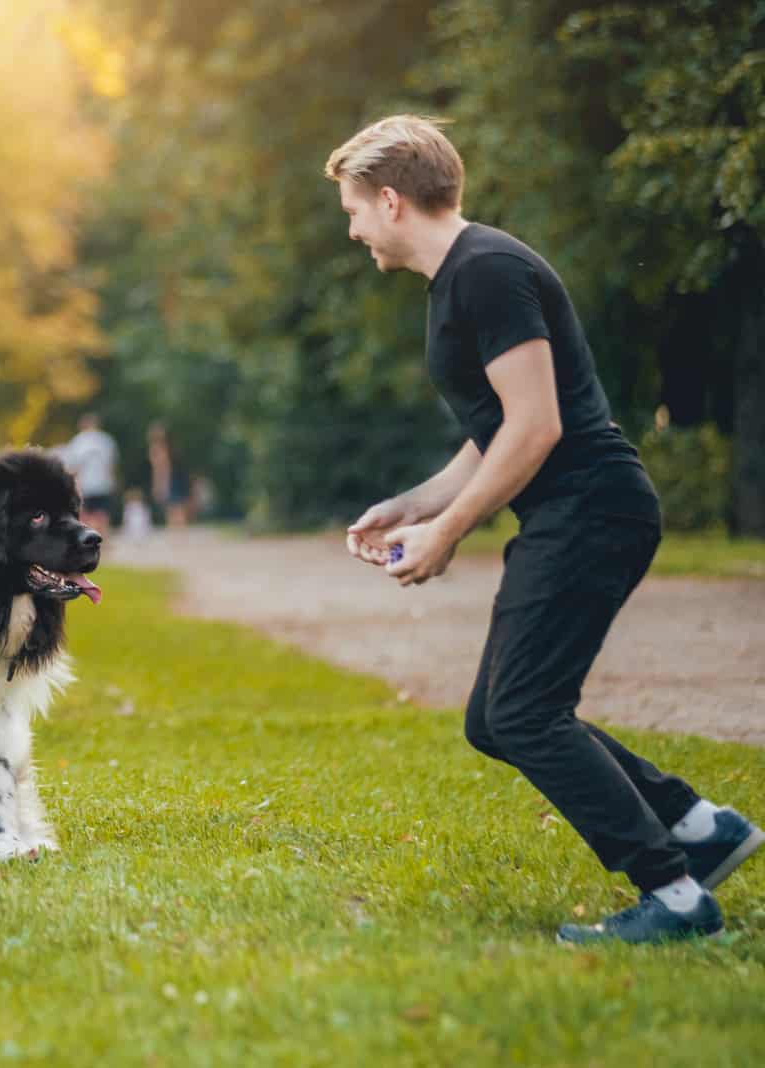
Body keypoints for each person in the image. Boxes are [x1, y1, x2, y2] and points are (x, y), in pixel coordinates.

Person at [325, 115, 761, 944]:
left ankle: (673, 896)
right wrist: (415, 504)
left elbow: (537, 427)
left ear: (389, 201)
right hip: (575, 512)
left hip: (592, 509)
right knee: (498, 718)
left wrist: (451, 531)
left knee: (524, 712)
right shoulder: (464, 275)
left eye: (352, 209)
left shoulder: (485, 270)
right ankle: (702, 829)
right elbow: (497, 424)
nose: (350, 228)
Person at [61, 413, 119, 536]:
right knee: (102, 515)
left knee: (84, 516)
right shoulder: (107, 441)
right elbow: (111, 466)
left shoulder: (78, 441)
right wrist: (113, 482)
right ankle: (103, 541)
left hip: (84, 484)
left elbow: (73, 467)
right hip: (103, 484)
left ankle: (87, 541)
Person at [147, 421, 190, 528]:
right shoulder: (170, 446)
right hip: (176, 478)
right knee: (178, 508)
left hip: (168, 480)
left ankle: (176, 535)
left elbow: (161, 469)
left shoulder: (156, 448)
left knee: (172, 510)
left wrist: (160, 486)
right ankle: (179, 534)